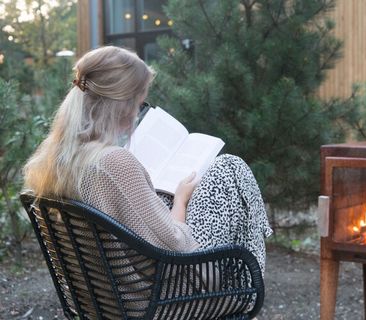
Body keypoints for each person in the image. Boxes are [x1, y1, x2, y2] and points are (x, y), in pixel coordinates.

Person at [23, 46, 272, 275]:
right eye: (140, 104)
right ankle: (247, 282)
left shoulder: (51, 161)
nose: (136, 113)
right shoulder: (114, 163)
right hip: (163, 297)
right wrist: (182, 200)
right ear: (122, 105)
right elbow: (174, 247)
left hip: (105, 295)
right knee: (228, 167)